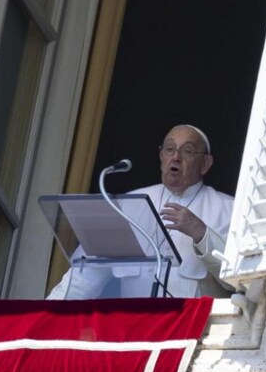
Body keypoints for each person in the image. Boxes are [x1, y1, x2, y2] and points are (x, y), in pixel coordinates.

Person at [47, 124, 234, 299]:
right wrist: (46, 313)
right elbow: (86, 276)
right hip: (134, 328)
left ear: (205, 164)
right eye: (169, 149)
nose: (176, 157)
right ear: (161, 157)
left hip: (194, 330)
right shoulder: (127, 205)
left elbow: (239, 283)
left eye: (187, 151)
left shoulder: (228, 209)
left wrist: (201, 233)